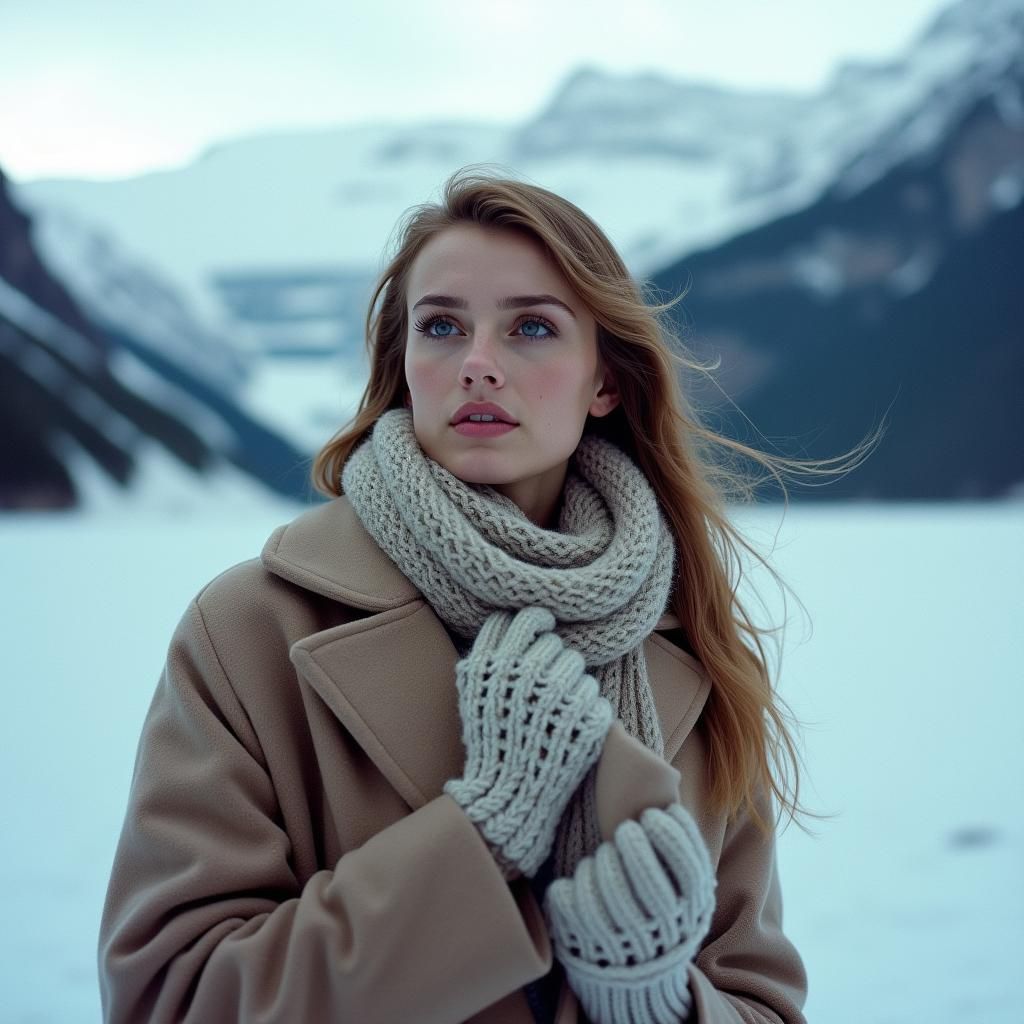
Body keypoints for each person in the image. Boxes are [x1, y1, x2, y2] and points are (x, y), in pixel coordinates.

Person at [99, 168, 811, 1023]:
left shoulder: (693, 648)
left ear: (605, 382)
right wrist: (483, 834)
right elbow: (172, 999)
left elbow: (760, 1001)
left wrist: (652, 997)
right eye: (441, 326)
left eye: (532, 328)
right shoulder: (249, 631)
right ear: (404, 368)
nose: (478, 365)